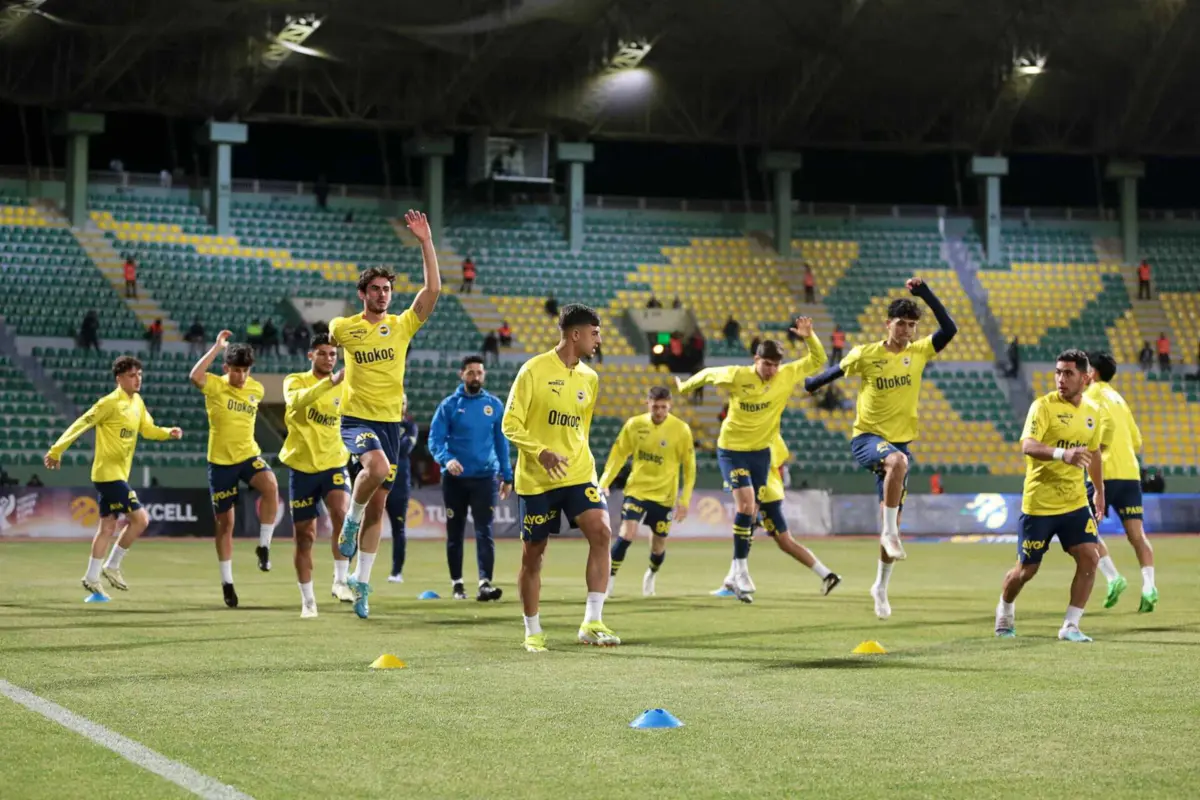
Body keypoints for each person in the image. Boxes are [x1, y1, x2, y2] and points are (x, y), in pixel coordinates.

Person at [804, 278, 957, 619]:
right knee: (898, 462)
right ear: (887, 324)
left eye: (912, 325)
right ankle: (889, 533)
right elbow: (837, 370)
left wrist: (926, 294)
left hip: (899, 443)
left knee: (896, 502)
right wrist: (812, 384)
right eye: (901, 324)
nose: (906, 330)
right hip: (867, 439)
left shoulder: (918, 353)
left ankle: (880, 588)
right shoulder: (866, 353)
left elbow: (950, 327)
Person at [330, 210, 440, 620]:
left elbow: (432, 290)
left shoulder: (402, 326)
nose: (382, 294)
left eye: (387, 289)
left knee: (380, 508)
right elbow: (331, 345)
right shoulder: (343, 327)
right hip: (356, 419)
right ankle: (349, 522)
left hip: (390, 424)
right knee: (373, 469)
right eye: (375, 289)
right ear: (362, 293)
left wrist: (425, 242)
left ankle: (361, 581)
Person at [675, 318, 826, 602]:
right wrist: (685, 387)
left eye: (775, 365)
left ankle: (736, 573)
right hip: (731, 449)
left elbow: (819, 358)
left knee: (750, 511)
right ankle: (741, 570)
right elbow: (707, 374)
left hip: (760, 453)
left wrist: (810, 336)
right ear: (755, 360)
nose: (771, 370)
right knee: (745, 505)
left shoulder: (786, 375)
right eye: (766, 364)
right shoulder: (737, 375)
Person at [502, 304, 616, 651]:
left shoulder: (590, 378)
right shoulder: (533, 370)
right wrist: (541, 451)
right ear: (575, 334)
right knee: (533, 555)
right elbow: (510, 423)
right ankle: (532, 630)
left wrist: (588, 470)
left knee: (602, 531)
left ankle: (591, 621)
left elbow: (581, 429)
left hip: (579, 473)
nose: (599, 339)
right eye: (595, 333)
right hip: (537, 479)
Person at [44, 355, 182, 598]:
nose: (137, 379)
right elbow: (81, 423)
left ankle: (91, 577)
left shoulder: (137, 402)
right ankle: (113, 565)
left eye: (139, 374)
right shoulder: (108, 403)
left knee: (107, 527)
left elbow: (147, 429)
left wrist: (167, 433)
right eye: (132, 375)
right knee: (141, 520)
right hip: (108, 475)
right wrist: (56, 450)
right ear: (119, 379)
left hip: (118, 474)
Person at [994, 350, 1104, 642]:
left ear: (1085, 377)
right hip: (1040, 503)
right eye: (1058, 372)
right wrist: (1062, 454)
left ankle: (1070, 625)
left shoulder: (1093, 413)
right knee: (1027, 570)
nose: (1060, 379)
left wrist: (1100, 494)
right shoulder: (1042, 407)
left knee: (1090, 557)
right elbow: (1028, 446)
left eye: (1068, 373)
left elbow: (1093, 454)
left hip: (1075, 501)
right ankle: (1005, 608)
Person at [189, 331, 279, 608]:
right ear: (226, 368)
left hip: (247, 456)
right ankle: (227, 583)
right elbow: (194, 375)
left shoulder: (257, 389)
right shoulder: (214, 385)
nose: (241, 376)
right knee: (225, 525)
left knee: (271, 485)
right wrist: (217, 347)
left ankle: (263, 545)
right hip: (220, 464)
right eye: (236, 370)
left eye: (245, 370)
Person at [598, 386, 696, 598]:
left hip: (664, 496)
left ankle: (651, 574)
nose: (659, 411)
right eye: (655, 406)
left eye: (663, 407)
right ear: (647, 403)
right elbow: (618, 454)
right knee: (627, 533)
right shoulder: (634, 425)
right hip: (637, 490)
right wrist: (605, 480)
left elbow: (689, 468)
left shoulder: (681, 430)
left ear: (669, 405)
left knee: (658, 545)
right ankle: (609, 580)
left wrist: (685, 500)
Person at [280, 334, 353, 618]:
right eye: (322, 353)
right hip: (302, 467)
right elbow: (296, 402)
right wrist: (330, 383)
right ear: (311, 355)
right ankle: (308, 600)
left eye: (333, 355)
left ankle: (340, 580)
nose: (328, 359)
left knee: (340, 512)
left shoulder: (344, 386)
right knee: (305, 536)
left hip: (334, 462)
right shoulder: (295, 381)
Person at [428, 355, 512, 601]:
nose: (475, 377)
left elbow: (501, 442)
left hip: (485, 478)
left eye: (479, 372)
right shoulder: (449, 406)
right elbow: (434, 439)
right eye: (471, 372)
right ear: (461, 374)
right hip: (454, 480)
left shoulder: (494, 405)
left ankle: (485, 583)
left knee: (484, 530)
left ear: (484, 375)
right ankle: (457, 584)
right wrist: (446, 459)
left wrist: (507, 476)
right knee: (455, 532)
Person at [715, 435, 841, 596]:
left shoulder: (761, 438)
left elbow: (760, 463)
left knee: (773, 539)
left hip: (765, 493)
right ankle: (827, 575)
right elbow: (780, 459)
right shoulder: (773, 437)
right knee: (776, 540)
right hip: (771, 491)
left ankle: (733, 582)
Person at [1084, 351, 1157, 612]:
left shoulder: (1089, 396)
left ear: (1092, 373)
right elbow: (1137, 441)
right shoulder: (1120, 400)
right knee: (1137, 536)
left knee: (1086, 530)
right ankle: (1149, 586)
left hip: (1103, 473)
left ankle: (1113, 577)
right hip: (1130, 474)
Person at [384, 396, 418, 583]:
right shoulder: (382, 423)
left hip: (399, 485)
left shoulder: (411, 426)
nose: (401, 406)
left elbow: (406, 448)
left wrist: (387, 447)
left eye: (404, 403)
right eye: (398, 402)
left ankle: (396, 572)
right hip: (378, 481)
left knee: (398, 528)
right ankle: (351, 570)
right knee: (363, 525)